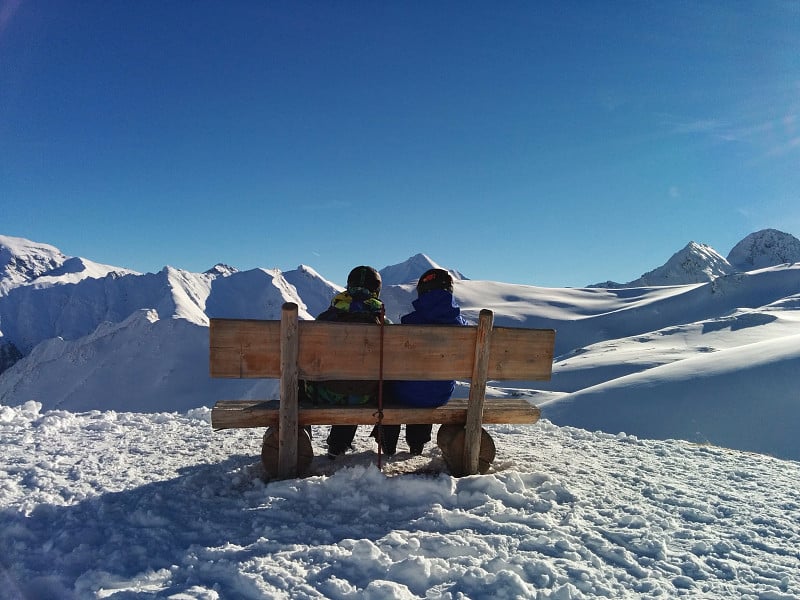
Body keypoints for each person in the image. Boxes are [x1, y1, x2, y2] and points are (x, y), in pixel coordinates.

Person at [374, 268, 469, 456]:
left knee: (394, 389)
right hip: (440, 395)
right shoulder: (462, 326)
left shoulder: (411, 322)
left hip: (406, 394)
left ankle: (388, 443)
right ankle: (416, 444)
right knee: (427, 386)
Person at [304, 265, 387, 459]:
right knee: (357, 384)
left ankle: (303, 440)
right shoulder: (382, 321)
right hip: (367, 396)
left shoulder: (326, 318)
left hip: (324, 395)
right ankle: (339, 445)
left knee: (306, 376)